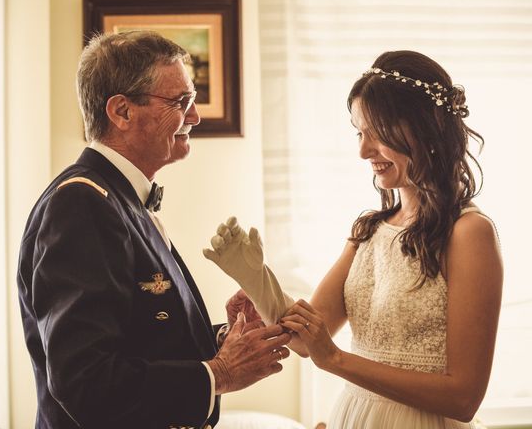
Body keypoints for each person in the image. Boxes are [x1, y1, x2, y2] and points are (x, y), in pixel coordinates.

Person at [204, 50, 503, 428]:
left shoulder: (469, 233)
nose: (364, 151)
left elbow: (463, 398)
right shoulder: (369, 230)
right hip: (357, 417)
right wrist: (259, 285)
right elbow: (306, 341)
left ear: (426, 128)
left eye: (378, 134)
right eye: (360, 133)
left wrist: (337, 361)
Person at [17, 30, 291, 429]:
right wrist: (221, 373)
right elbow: (86, 382)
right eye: (181, 102)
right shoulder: (81, 204)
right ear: (122, 112)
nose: (195, 116)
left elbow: (140, 334)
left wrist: (225, 338)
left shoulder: (117, 197)